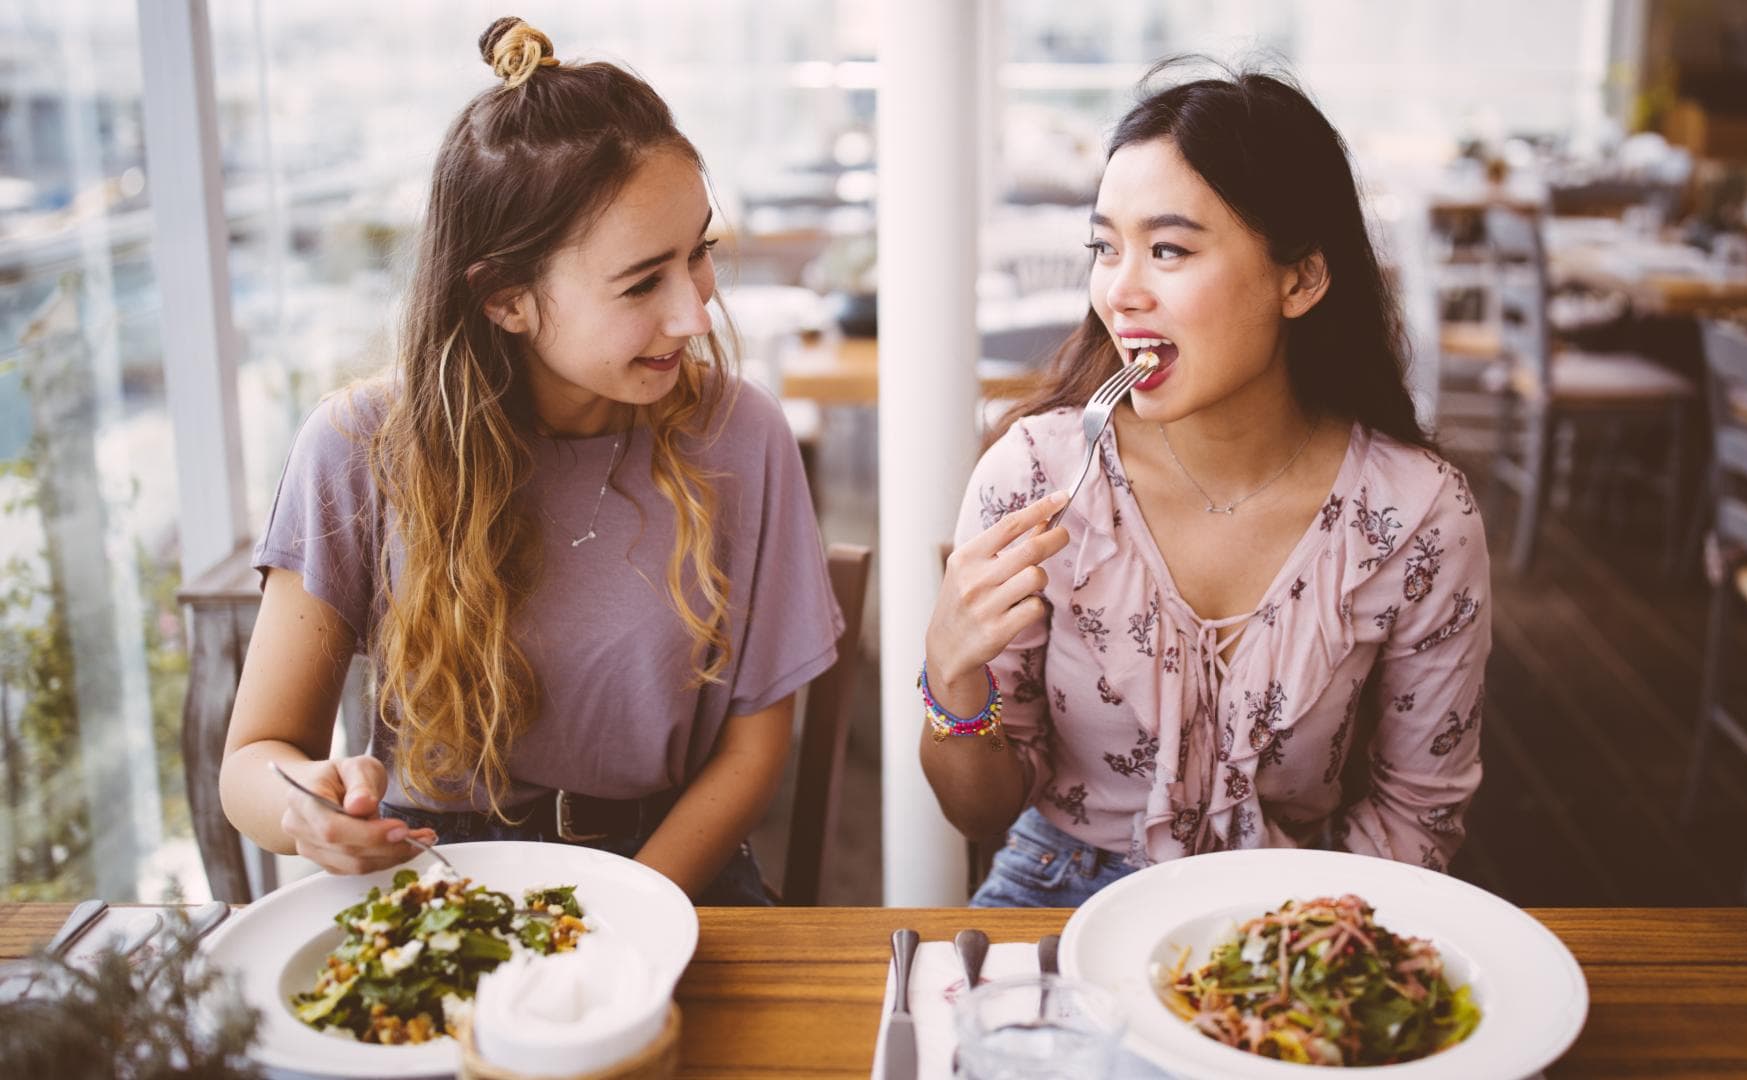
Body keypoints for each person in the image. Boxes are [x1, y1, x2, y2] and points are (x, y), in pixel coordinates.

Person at [220, 17, 841, 905]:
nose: (696, 313)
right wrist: (304, 810)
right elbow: (253, 762)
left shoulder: (743, 436)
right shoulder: (357, 448)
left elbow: (752, 749)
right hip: (435, 885)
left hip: (663, 877)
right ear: (506, 298)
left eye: (698, 252)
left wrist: (617, 920)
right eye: (641, 283)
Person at [921, 61, 1491, 907]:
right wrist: (950, 677)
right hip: (1059, 891)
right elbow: (979, 813)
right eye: (1105, 248)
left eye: (1169, 250)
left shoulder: (1418, 518)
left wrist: (1296, 951)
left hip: (1303, 911)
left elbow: (1419, 809)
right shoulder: (1037, 474)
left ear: (1300, 278)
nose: (1120, 291)